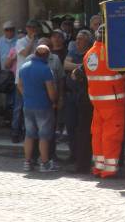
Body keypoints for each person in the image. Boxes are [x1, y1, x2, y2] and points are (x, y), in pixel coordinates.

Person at [84, 27, 125, 179]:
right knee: (112, 135)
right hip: (113, 101)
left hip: (97, 103)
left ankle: (99, 167)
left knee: (98, 134)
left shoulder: (89, 54)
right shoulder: (113, 54)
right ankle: (110, 169)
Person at [17, 44, 59, 173]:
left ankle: (27, 162)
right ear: (46, 56)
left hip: (28, 105)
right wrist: (55, 101)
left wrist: (27, 96)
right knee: (44, 136)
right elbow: (51, 93)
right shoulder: (46, 69)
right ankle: (45, 163)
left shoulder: (23, 67)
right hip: (43, 106)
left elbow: (19, 85)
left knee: (29, 135)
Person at [67, 30, 94, 174]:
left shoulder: (91, 54)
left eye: (81, 39)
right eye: (77, 39)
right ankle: (78, 159)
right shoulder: (75, 52)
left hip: (88, 98)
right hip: (76, 97)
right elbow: (67, 66)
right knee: (75, 128)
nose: (78, 42)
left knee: (85, 131)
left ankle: (83, 163)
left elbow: (77, 73)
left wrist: (77, 69)